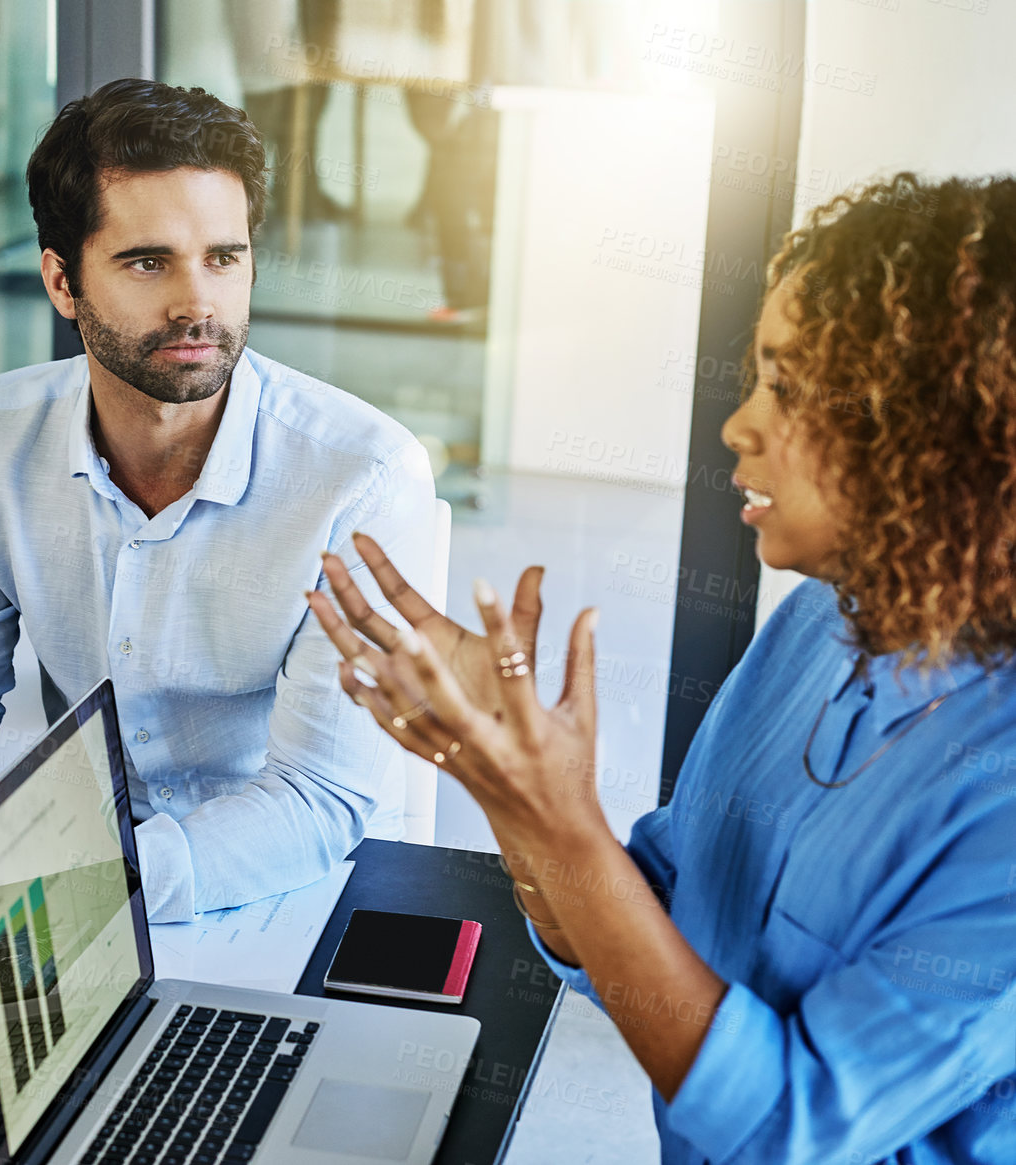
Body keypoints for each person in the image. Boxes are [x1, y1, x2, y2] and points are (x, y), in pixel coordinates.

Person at [310, 172, 1016, 1162]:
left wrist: (559, 818)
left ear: (946, 434)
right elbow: (641, 935)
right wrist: (511, 791)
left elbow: (783, 1127)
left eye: (792, 387)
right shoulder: (816, 621)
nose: (739, 426)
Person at [0, 78, 435, 941]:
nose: (197, 303)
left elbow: (319, 794)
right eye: (147, 261)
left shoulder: (362, 475)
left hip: (287, 893)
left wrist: (68, 886)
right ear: (61, 280)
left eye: (223, 258)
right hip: (69, 884)